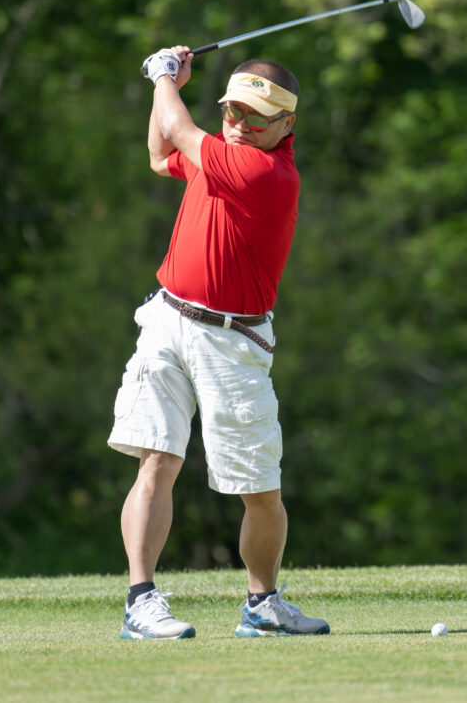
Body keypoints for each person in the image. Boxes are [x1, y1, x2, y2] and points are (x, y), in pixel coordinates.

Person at [108, 45, 329, 640]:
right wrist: (169, 88)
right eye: (233, 111)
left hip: (232, 343)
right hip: (167, 320)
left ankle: (262, 604)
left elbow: (178, 130)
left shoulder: (265, 172)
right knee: (157, 460)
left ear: (287, 124)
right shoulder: (223, 154)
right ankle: (141, 600)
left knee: (260, 488)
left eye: (258, 117)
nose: (241, 124)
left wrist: (164, 77)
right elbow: (161, 155)